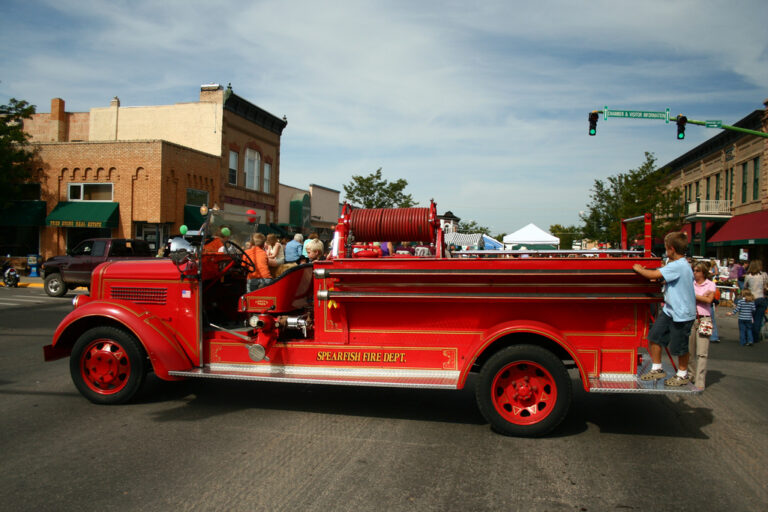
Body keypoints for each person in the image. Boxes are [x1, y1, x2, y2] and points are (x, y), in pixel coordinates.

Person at [633, 232, 696, 386]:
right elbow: (664, 278)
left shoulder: (678, 265)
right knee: (654, 336)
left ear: (672, 249)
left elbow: (653, 274)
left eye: (667, 248)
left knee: (679, 346)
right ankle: (657, 368)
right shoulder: (680, 265)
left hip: (682, 313)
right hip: (670, 310)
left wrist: (638, 268)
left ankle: (682, 374)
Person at [688, 261, 716, 388]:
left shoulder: (710, 284)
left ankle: (700, 381)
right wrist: (701, 296)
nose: (695, 273)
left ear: (703, 272)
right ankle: (690, 374)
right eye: (694, 270)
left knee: (702, 352)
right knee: (689, 350)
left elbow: (709, 300)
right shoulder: (690, 284)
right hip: (690, 318)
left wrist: (694, 296)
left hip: (704, 319)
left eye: (697, 270)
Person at [744, 260, 767, 342]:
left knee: (749, 318)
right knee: (758, 319)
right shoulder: (764, 275)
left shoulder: (748, 276)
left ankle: (748, 336)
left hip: (752, 299)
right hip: (761, 298)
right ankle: (755, 337)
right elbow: (765, 287)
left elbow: (745, 287)